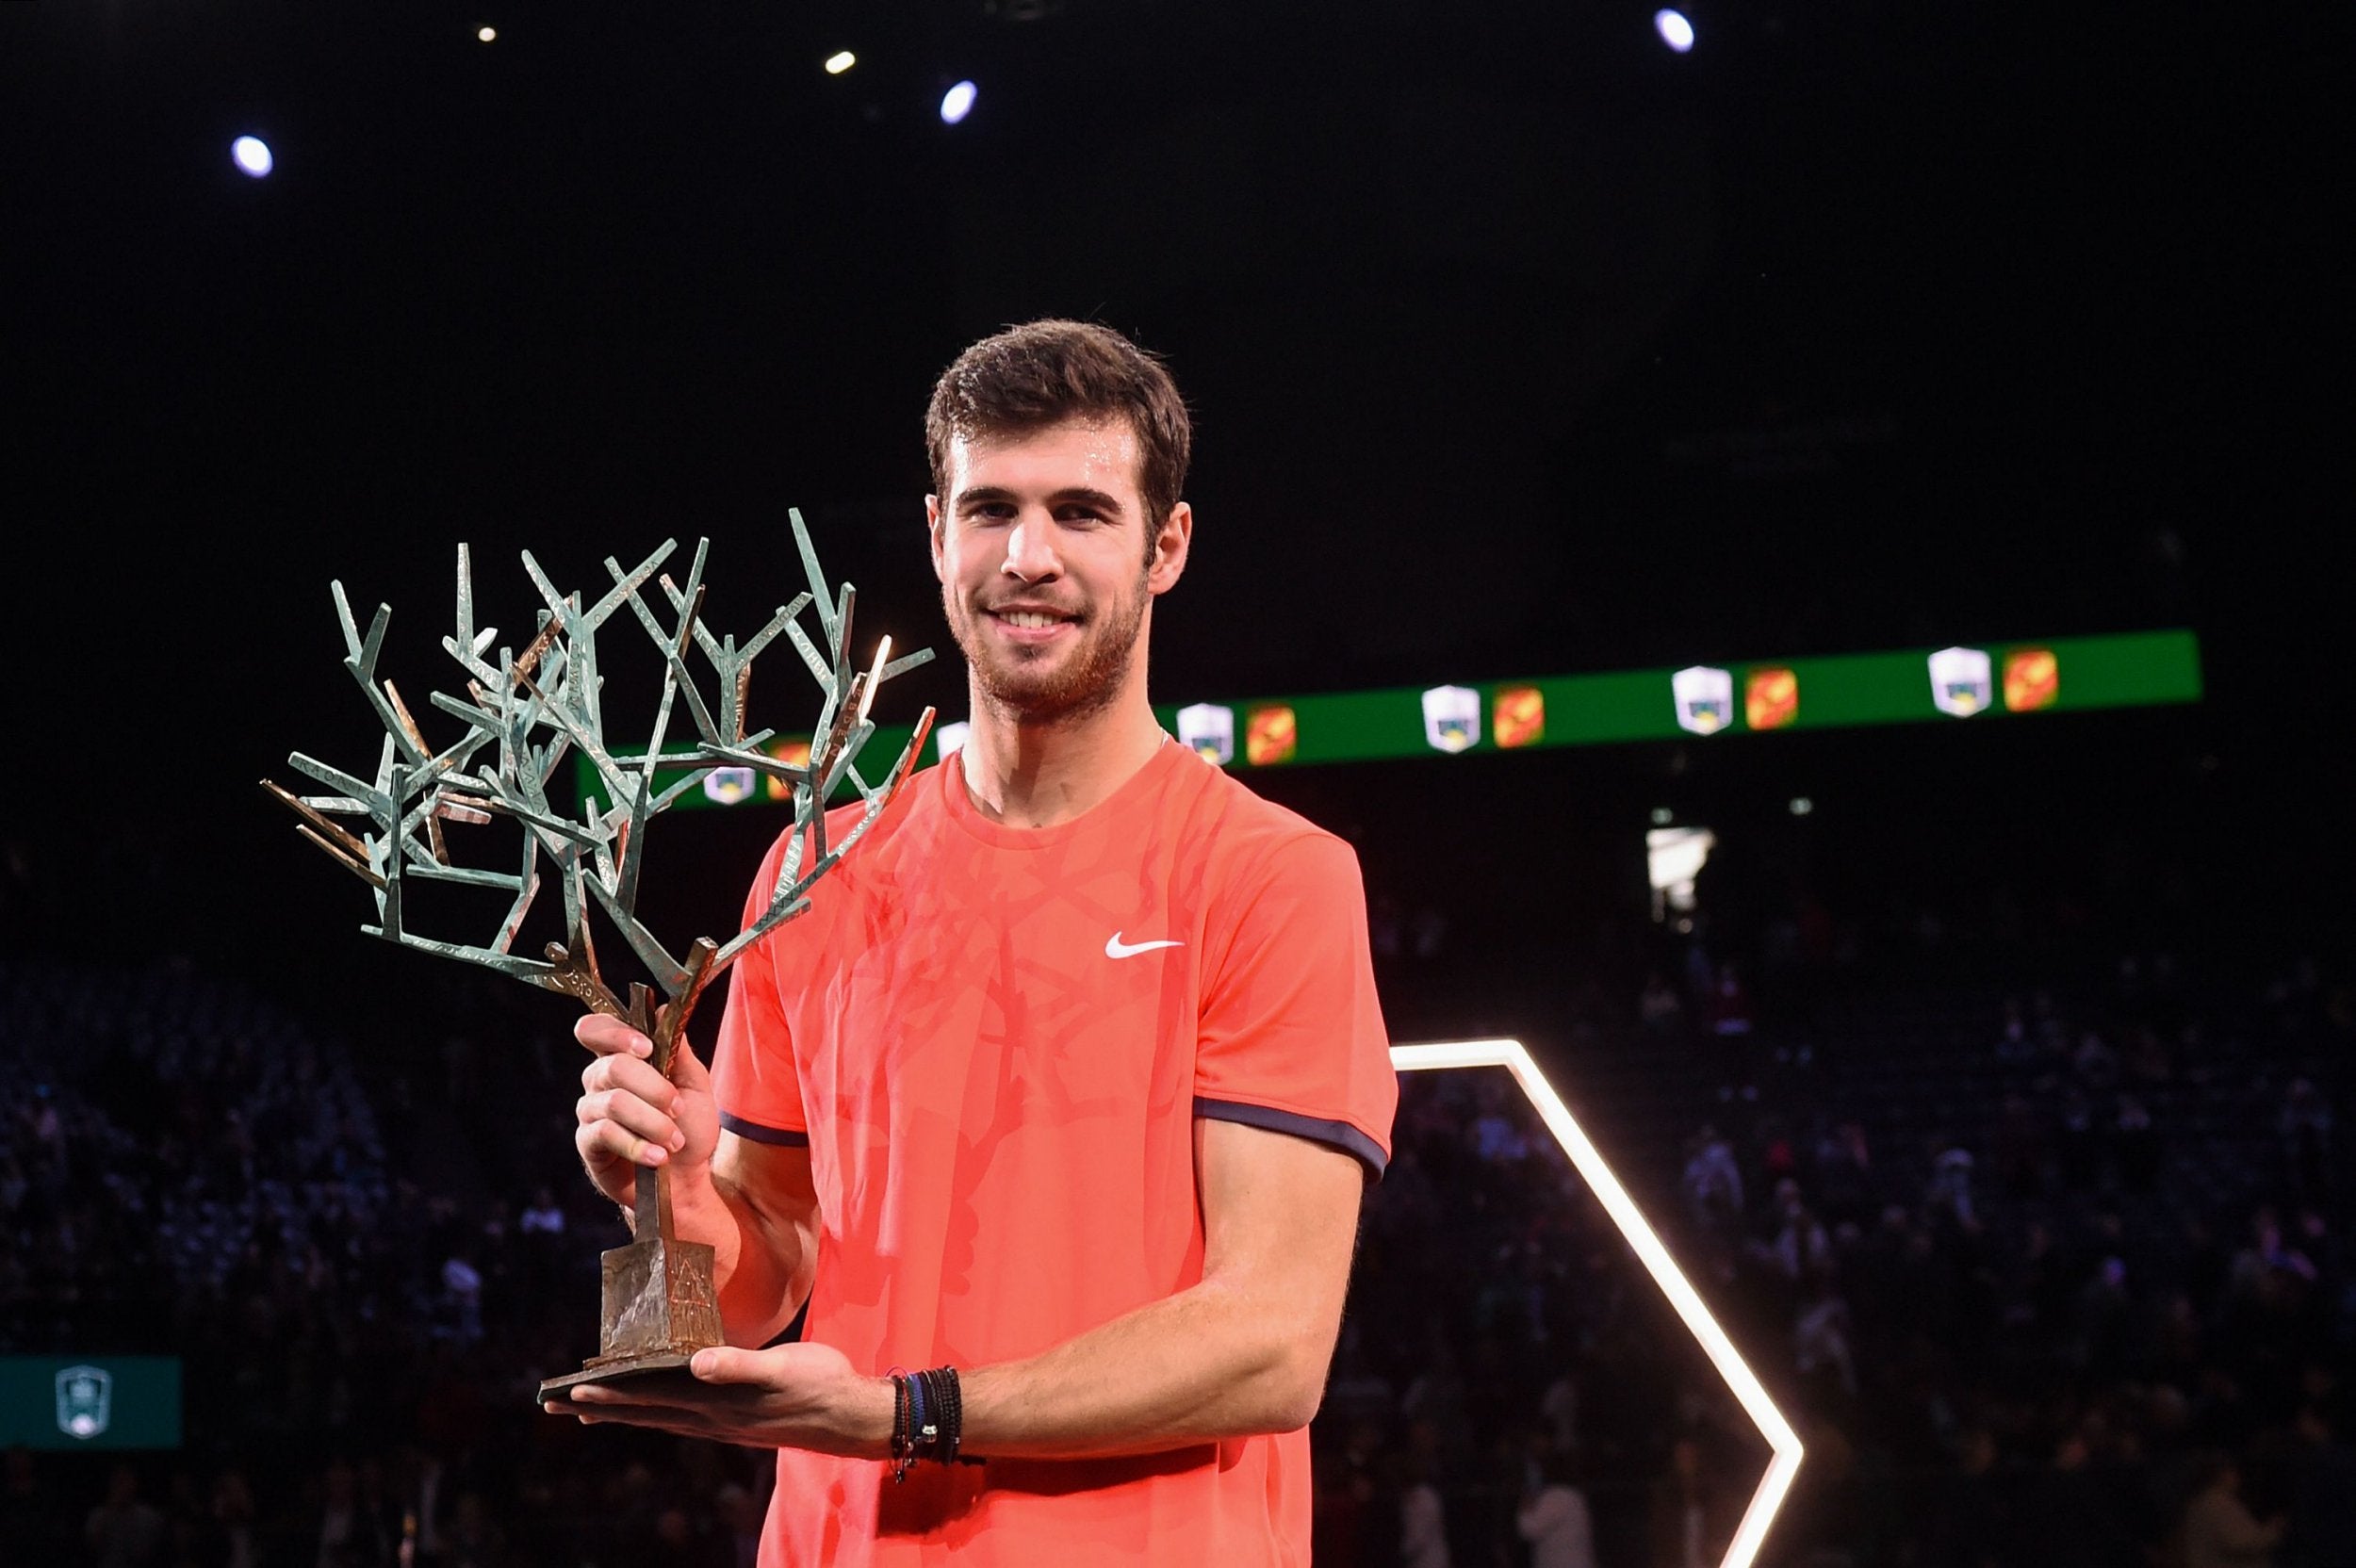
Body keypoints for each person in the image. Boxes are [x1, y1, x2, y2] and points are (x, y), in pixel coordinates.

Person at [552, 318, 1399, 1564]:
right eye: (992, 508)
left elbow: (1273, 1348)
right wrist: (666, 1197)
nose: (1030, 556)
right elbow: (751, 1286)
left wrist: (915, 1416)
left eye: (1082, 513)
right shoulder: (812, 867)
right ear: (940, 531)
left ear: (1166, 548)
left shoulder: (1273, 878)